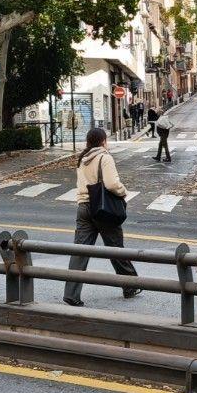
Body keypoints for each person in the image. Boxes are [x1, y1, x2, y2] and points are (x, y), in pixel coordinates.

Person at [63, 127, 140, 306]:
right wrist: (123, 192)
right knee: (116, 249)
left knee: (80, 251)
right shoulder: (105, 157)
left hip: (83, 207)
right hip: (103, 209)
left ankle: (71, 294)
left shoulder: (82, 159)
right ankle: (130, 285)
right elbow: (112, 184)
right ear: (103, 141)